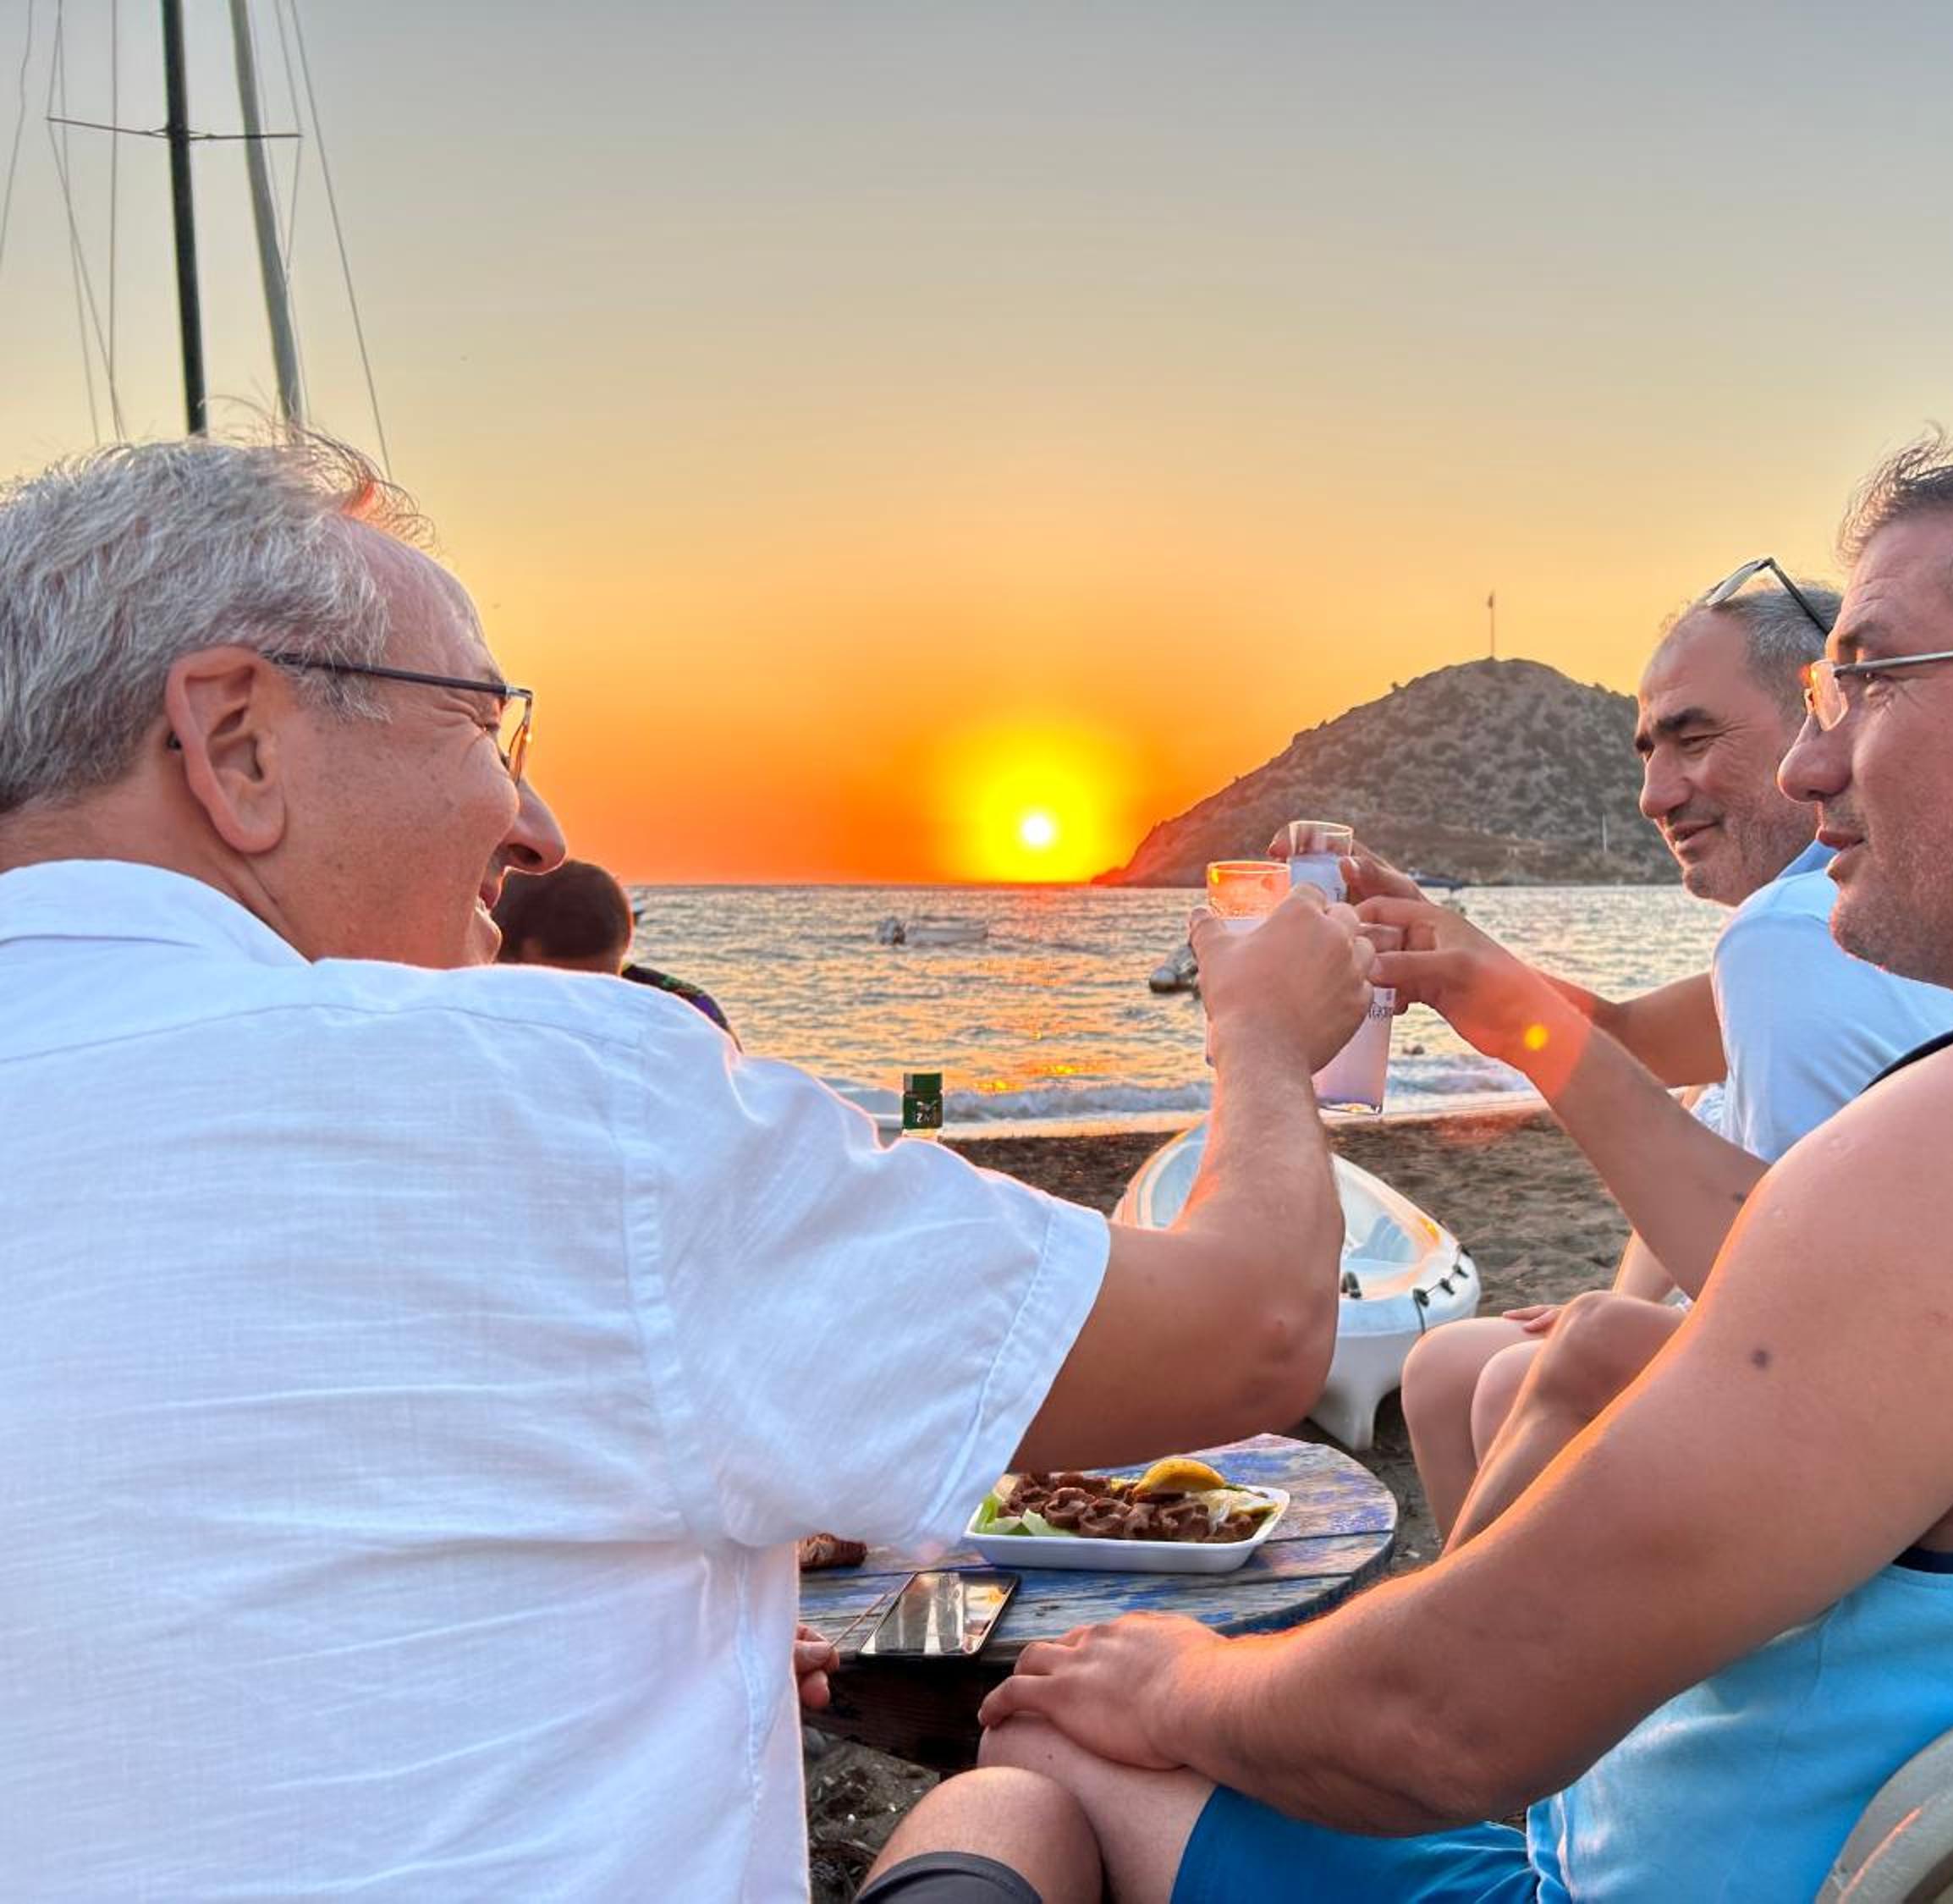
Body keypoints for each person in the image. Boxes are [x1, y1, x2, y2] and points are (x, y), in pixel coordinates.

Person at [898, 438, 1953, 1903]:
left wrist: (1183, 1677)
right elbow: (1633, 1066)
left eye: (1869, 684)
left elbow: (1445, 1720)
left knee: (1049, 1742)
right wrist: (1464, 970)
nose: (1811, 771)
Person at [0, 436, 1373, 1899]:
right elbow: (1252, 1325)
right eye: (482, 728)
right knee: (1018, 1809)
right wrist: (1265, 1037)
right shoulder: (556, 1099)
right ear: (236, 742)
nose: (536, 829)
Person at [1393, 578, 1953, 1534]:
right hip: (1881, 1334)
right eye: (1649, 752)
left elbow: (1801, 1295)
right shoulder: (1852, 917)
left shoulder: (1793, 927)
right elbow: (1631, 1039)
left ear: (1826, 718)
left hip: (1857, 1389)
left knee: (1497, 1378)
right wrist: (1444, 947)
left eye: (1693, 740)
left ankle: (1477, 1613)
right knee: (1449, 1364)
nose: (1655, 795)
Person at [494, 853, 736, 1035]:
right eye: (561, 990)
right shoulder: (488, 1011)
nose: (583, 1004)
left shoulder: (689, 1011)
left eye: (603, 985)